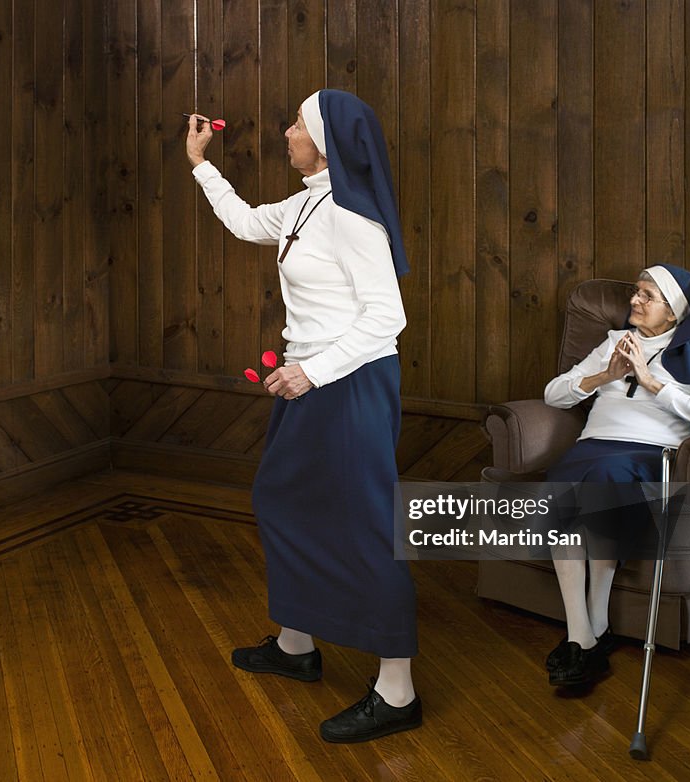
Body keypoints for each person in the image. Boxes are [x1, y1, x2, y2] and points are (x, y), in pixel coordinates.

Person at [184, 90, 421, 742]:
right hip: (307, 380)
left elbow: (387, 319)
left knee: (367, 524)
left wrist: (311, 370)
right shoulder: (308, 201)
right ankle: (296, 646)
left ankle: (397, 691)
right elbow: (245, 223)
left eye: (296, 124)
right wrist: (201, 163)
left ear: (323, 141)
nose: (286, 132)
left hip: (349, 384)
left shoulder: (352, 216)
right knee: (283, 500)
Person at [541, 264, 690, 686]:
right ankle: (589, 633)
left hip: (647, 453)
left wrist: (651, 383)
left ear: (673, 312)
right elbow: (553, 395)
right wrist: (604, 376)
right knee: (565, 490)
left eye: (648, 296)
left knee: (600, 486)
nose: (635, 301)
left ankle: (583, 640)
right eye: (635, 292)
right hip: (591, 447)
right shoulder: (614, 342)